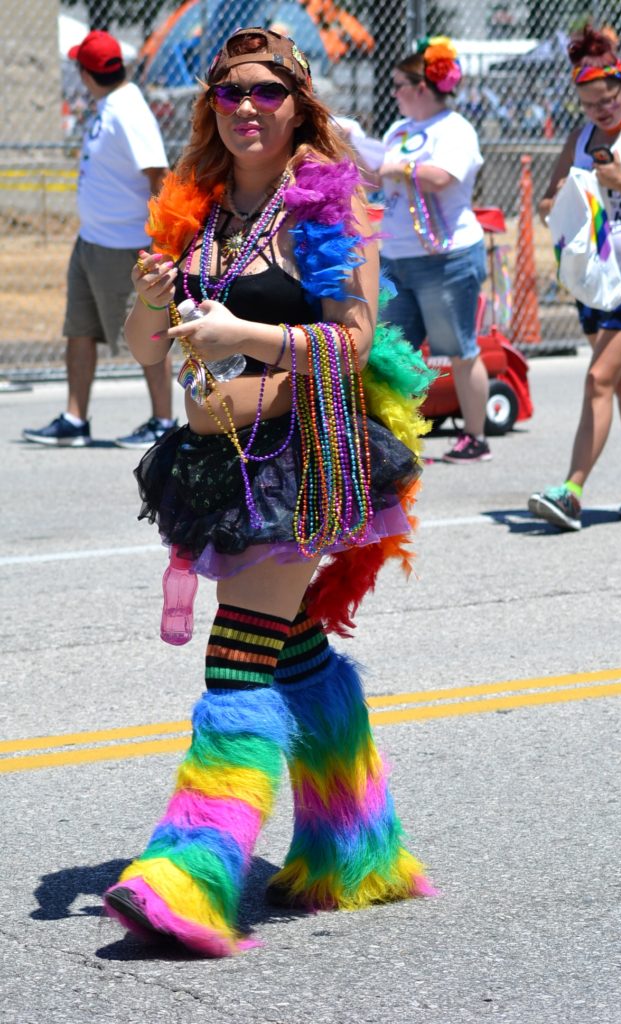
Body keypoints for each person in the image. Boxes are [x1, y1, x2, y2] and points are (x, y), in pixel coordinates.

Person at [101, 26, 435, 956]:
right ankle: (355, 849)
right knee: (294, 653)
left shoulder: (327, 211)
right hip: (218, 462)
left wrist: (245, 334)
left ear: (299, 107)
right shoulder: (197, 213)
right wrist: (148, 295)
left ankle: (192, 878)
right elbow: (148, 352)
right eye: (229, 93)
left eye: (268, 93)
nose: (247, 107)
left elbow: (356, 342)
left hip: (302, 460)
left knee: (238, 658)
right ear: (211, 108)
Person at [528, 24, 621, 531]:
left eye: (607, 97)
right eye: (589, 101)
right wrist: (563, 201)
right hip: (595, 276)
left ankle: (571, 491)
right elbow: (546, 200)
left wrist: (617, 183)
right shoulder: (580, 138)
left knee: (599, 378)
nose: (601, 109)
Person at [22, 30, 175, 450]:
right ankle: (75, 418)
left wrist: (159, 242)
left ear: (86, 74)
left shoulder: (129, 110)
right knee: (80, 330)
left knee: (147, 335)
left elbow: (157, 173)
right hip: (91, 241)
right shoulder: (109, 106)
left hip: (124, 245)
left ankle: (163, 420)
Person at [372, 36, 491, 463]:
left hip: (447, 257)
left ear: (422, 86)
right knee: (389, 353)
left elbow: (443, 176)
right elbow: (381, 176)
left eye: (399, 85)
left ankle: (475, 437)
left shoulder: (454, 128)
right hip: (396, 257)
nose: (394, 93)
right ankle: (391, 438)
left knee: (458, 348)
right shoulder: (398, 130)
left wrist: (390, 166)